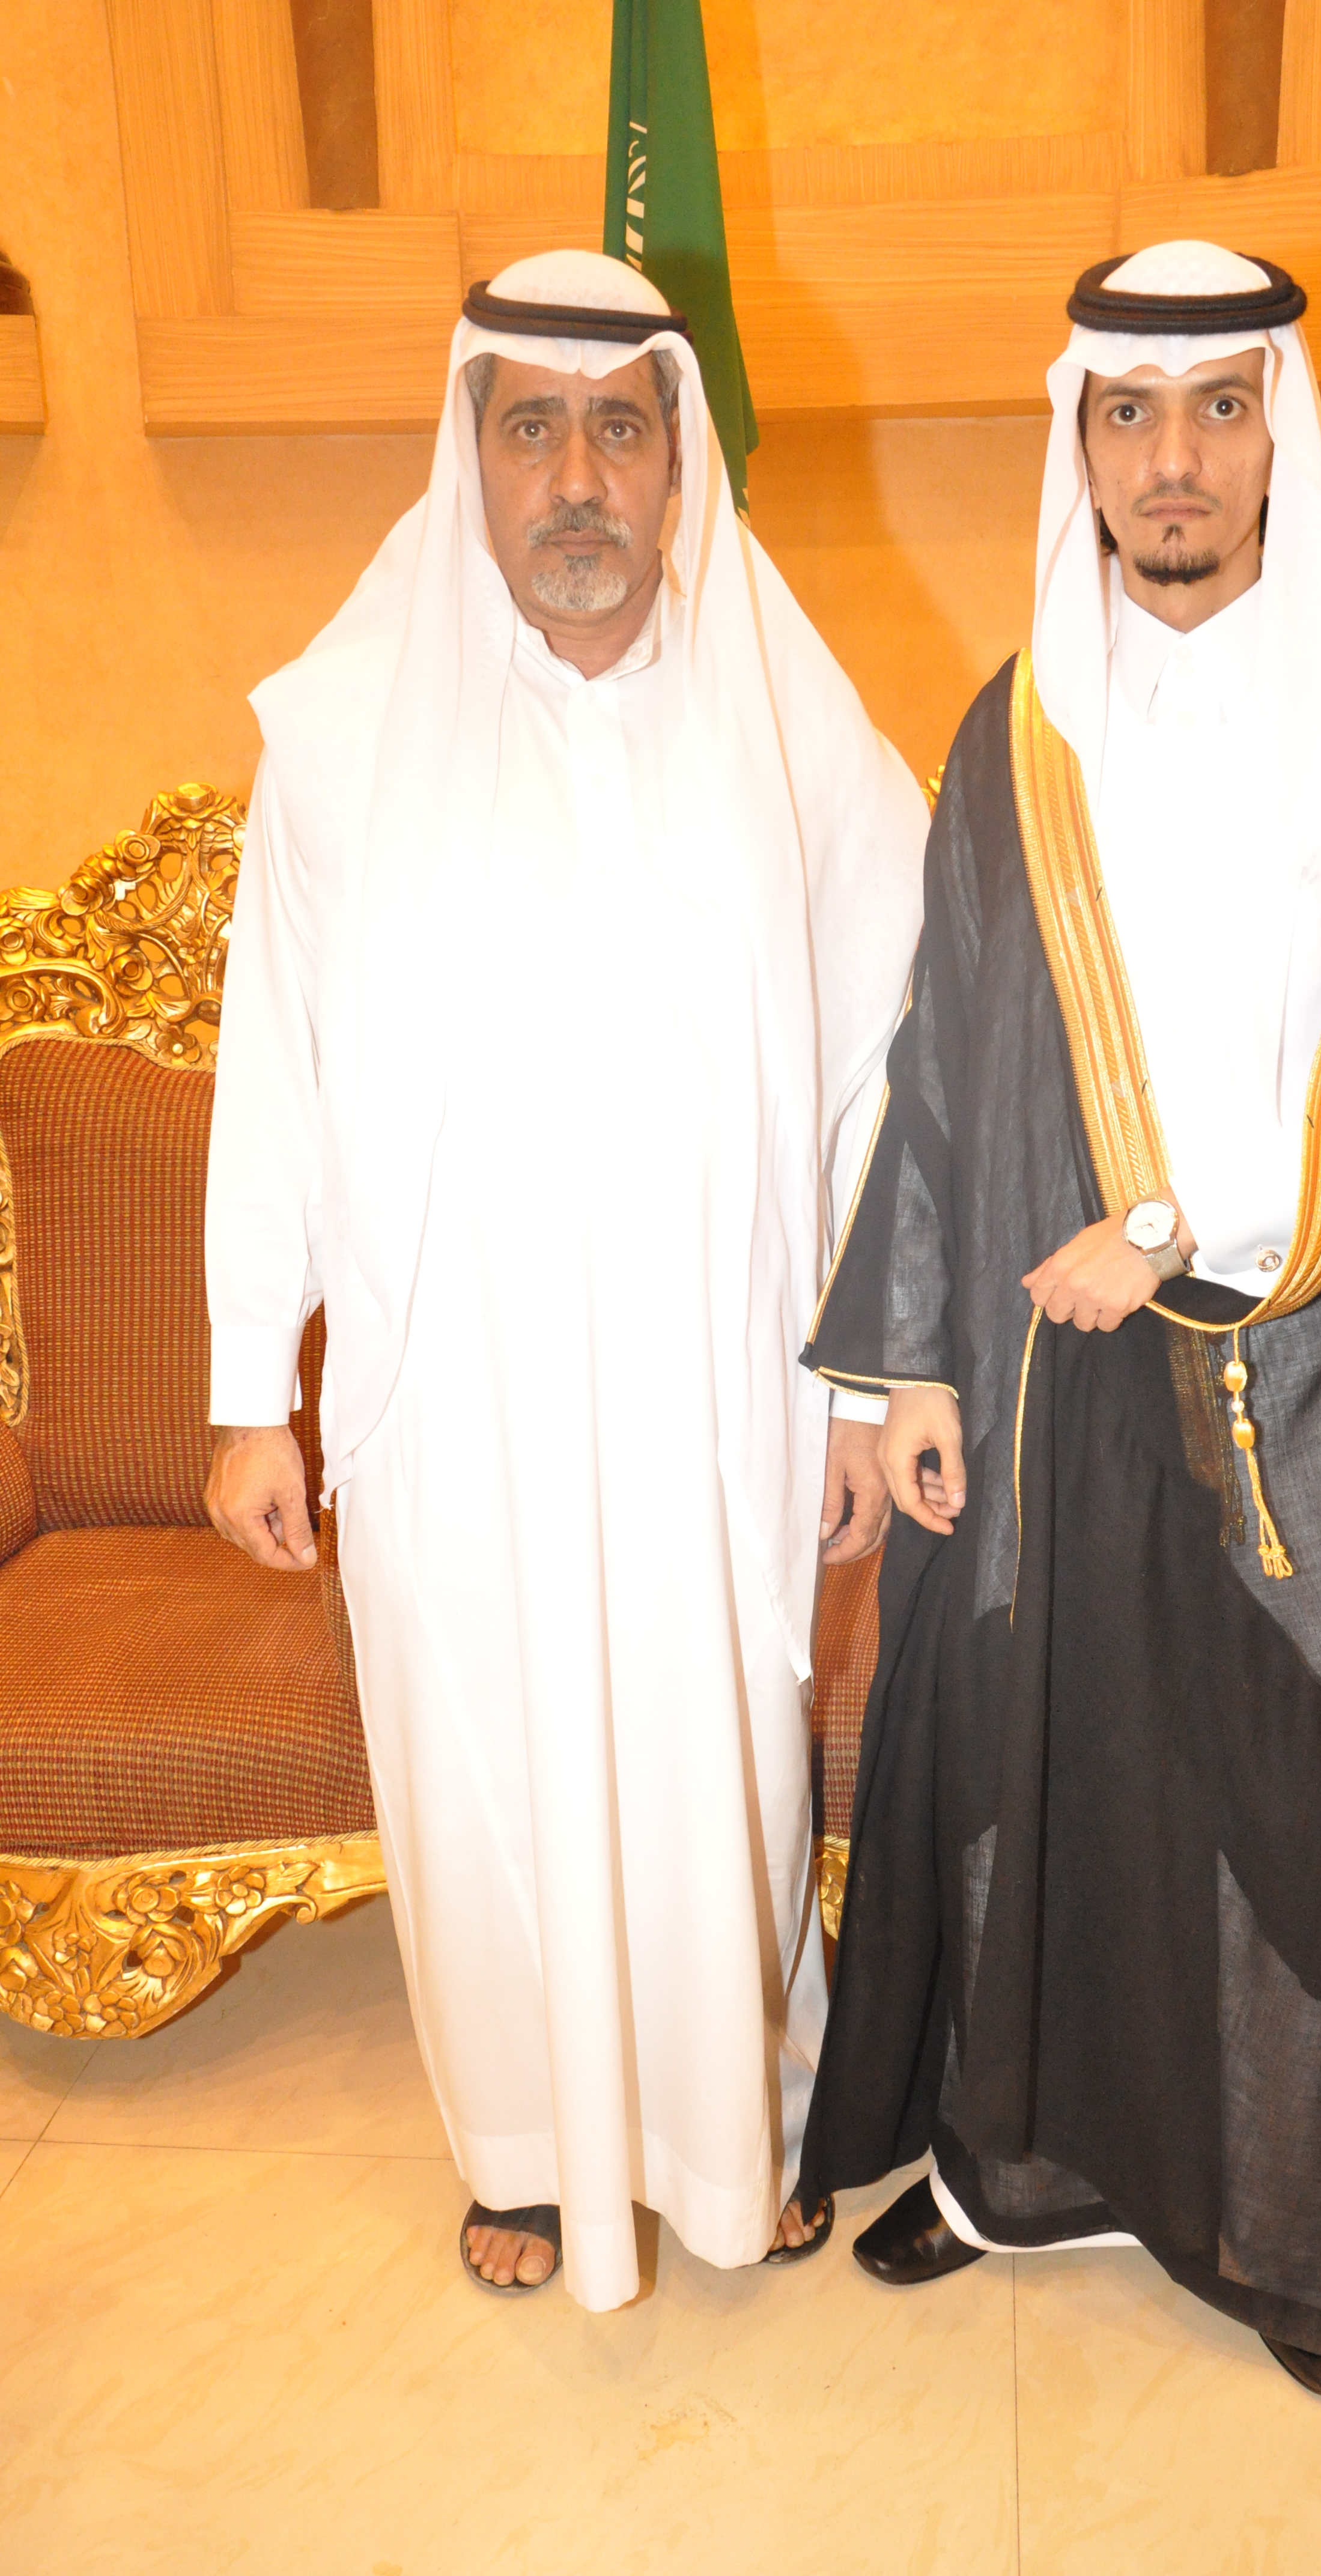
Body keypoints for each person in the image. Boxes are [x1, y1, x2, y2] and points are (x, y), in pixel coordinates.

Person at [795, 240, 1321, 2406]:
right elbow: (945, 1064)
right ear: (1080, 446)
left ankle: (1304, 2230)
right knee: (1053, 1777)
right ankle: (1017, 2171)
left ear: (1280, 435)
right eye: (1126, 414)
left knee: (1296, 1802)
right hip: (1061, 1394)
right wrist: (915, 1359)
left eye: (1219, 408)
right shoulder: (1019, 732)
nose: (1171, 460)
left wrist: (1174, 1222)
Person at [204, 251, 921, 2309]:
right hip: (459, 1395)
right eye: (534, 427)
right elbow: (276, 1062)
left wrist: (863, 1382)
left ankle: (740, 2131)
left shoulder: (791, 727)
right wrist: (253, 1386)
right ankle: (522, 2155)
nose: (580, 477)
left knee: (724, 1766)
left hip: (721, 1381)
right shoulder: (346, 737)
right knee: (484, 1772)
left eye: (621, 428)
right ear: (473, 454)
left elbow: (896, 1064)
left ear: (682, 462)